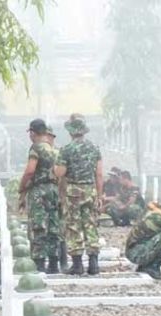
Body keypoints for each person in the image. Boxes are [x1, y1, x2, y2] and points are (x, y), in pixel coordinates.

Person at [54, 113, 104, 275]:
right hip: (90, 190)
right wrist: (99, 195)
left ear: (70, 132)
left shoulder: (66, 150)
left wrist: (55, 168)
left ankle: (77, 264)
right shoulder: (94, 148)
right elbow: (99, 174)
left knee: (73, 225)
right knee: (90, 224)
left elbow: (60, 172)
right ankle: (94, 263)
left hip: (73, 191)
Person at [18, 118, 62, 274]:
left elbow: (30, 170)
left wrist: (21, 187)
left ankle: (39, 263)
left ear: (32, 132)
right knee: (53, 226)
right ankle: (54, 263)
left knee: (39, 226)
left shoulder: (36, 148)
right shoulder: (55, 150)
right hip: (54, 189)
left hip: (39, 190)